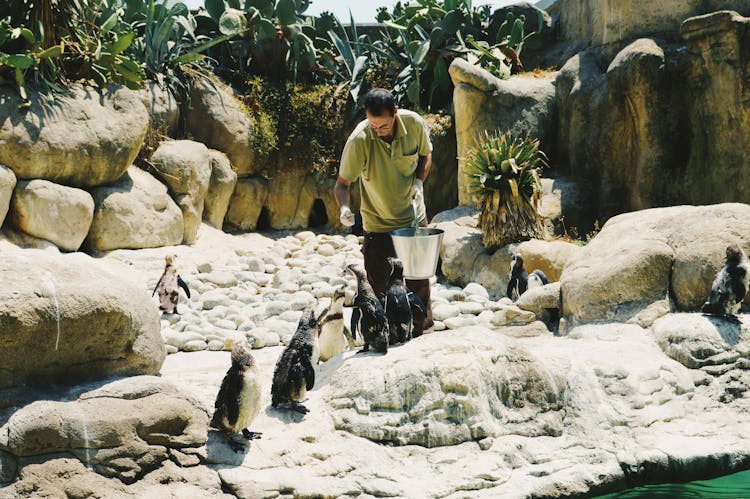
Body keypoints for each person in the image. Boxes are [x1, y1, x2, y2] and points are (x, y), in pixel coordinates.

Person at [334, 88, 434, 334]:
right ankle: (384, 340)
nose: (378, 132)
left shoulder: (414, 123)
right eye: (373, 126)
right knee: (377, 291)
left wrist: (419, 182)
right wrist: (344, 207)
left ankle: (422, 334)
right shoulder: (360, 140)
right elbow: (342, 184)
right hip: (378, 224)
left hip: (412, 218)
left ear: (395, 114)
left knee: (418, 283)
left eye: (384, 126)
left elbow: (425, 155)